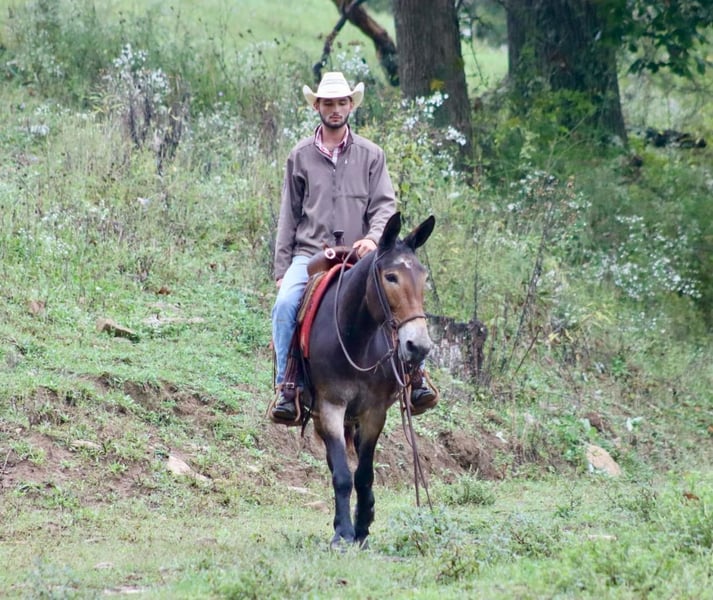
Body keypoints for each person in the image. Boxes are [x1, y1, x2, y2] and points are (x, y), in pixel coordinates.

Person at [271, 71, 436, 422]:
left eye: (341, 102)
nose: (335, 109)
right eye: (328, 103)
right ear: (317, 106)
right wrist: (282, 270)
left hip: (361, 256)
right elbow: (289, 214)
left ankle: (415, 378)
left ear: (351, 105)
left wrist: (372, 239)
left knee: (401, 296)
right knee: (285, 305)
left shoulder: (371, 155)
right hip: (310, 253)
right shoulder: (299, 155)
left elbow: (384, 206)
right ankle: (288, 385)